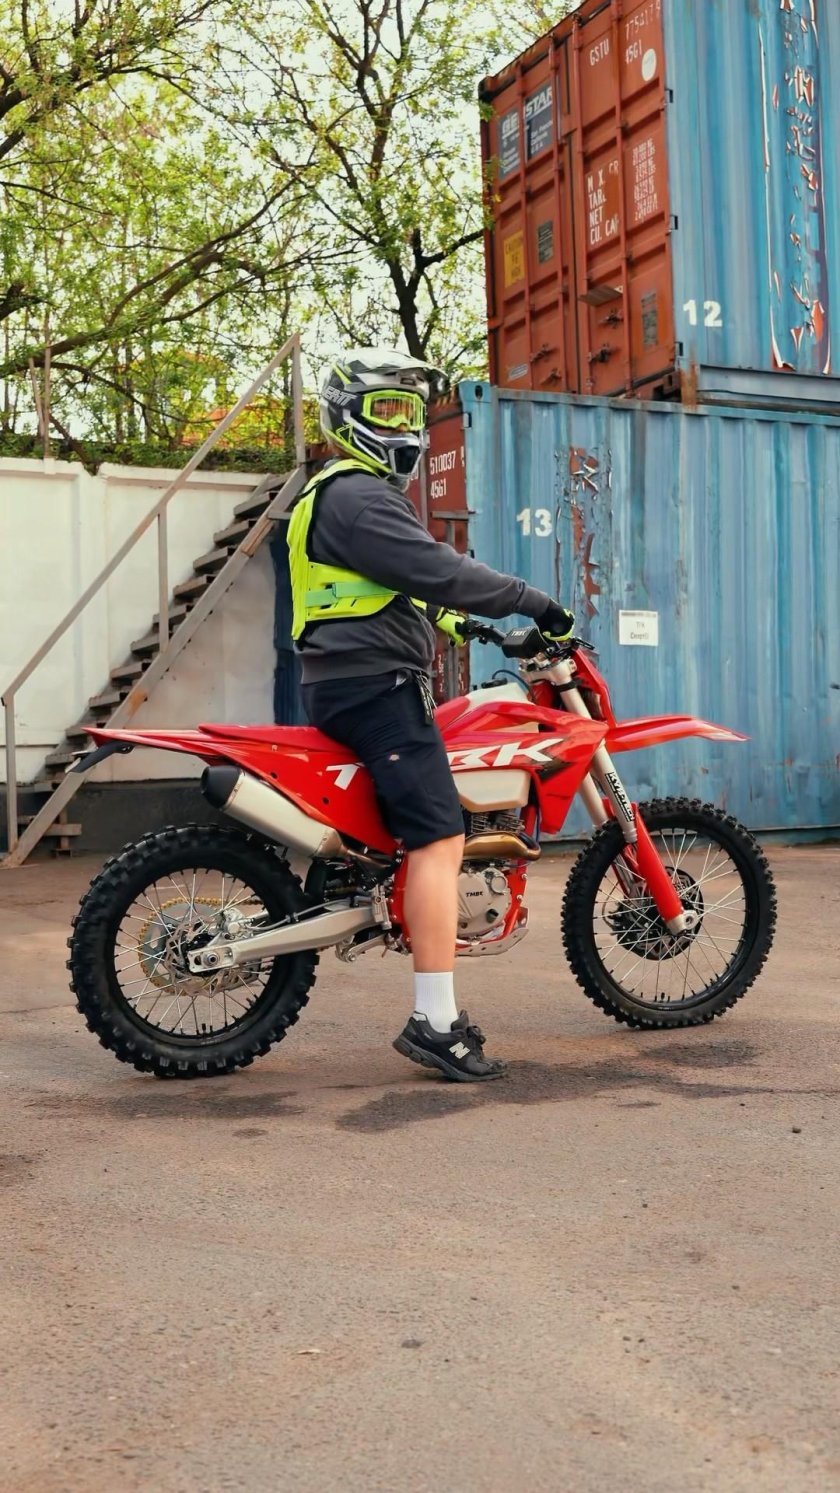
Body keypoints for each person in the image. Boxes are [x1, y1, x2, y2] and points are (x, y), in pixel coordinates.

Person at [288, 348, 574, 1082]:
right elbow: (439, 571)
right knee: (441, 836)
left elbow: (393, 591)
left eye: (410, 413)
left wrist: (474, 630)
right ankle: (435, 1023)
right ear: (346, 416)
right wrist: (532, 602)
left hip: (350, 679)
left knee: (425, 828)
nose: (403, 428)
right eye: (386, 410)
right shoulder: (360, 496)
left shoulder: (336, 497)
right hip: (375, 688)